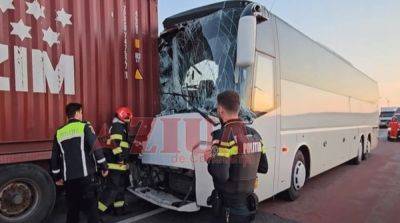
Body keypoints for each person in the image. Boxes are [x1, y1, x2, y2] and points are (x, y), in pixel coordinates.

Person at [206, 91, 268, 223]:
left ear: (220, 110)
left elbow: (221, 175)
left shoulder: (221, 136)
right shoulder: (256, 135)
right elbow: (263, 167)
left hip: (227, 210)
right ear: (238, 108)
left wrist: (209, 159)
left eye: (217, 108)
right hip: (248, 208)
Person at [51, 103, 109, 223]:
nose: (82, 115)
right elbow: (96, 148)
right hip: (85, 176)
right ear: (77, 113)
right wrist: (104, 167)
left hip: (68, 178)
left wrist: (57, 176)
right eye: (81, 113)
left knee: (72, 208)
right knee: (91, 208)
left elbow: (55, 157)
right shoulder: (84, 127)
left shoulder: (59, 132)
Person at [98, 107, 133, 216]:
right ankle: (97, 213)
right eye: (128, 117)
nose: (130, 119)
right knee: (112, 190)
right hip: (116, 164)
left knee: (120, 188)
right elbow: (116, 145)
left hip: (119, 166)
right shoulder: (118, 127)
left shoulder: (120, 127)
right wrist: (121, 158)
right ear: (124, 116)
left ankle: (119, 209)